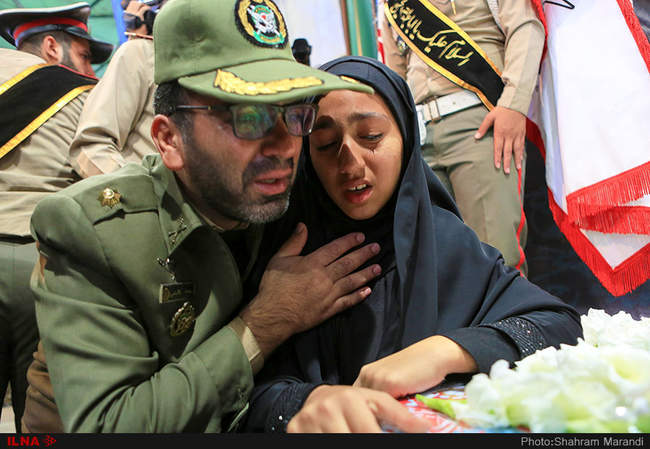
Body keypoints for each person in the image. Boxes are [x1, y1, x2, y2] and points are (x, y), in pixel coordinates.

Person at [25, 0, 384, 433]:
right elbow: (112, 424)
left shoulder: (287, 193)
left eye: (293, 113)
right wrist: (266, 323)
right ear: (169, 139)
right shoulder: (94, 231)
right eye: (248, 117)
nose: (284, 146)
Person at [241, 56, 583, 433]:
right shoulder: (291, 256)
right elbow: (241, 394)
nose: (351, 165)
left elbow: (559, 325)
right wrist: (306, 402)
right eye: (325, 144)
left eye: (371, 136)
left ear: (406, 138)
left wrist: (446, 350)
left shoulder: (444, 242)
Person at [0, 2, 113, 432]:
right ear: (52, 47)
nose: (90, 69)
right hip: (43, 264)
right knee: (43, 418)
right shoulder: (84, 94)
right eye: (84, 56)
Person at [379, 0, 546, 275]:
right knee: (439, 267)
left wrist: (513, 104)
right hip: (419, 135)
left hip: (478, 122)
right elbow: (395, 74)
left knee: (495, 259)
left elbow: (525, 26)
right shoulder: (394, 5)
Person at [68, 1, 167, 178]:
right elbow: (91, 147)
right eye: (84, 57)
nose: (91, 73)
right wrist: (138, 190)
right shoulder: (141, 54)